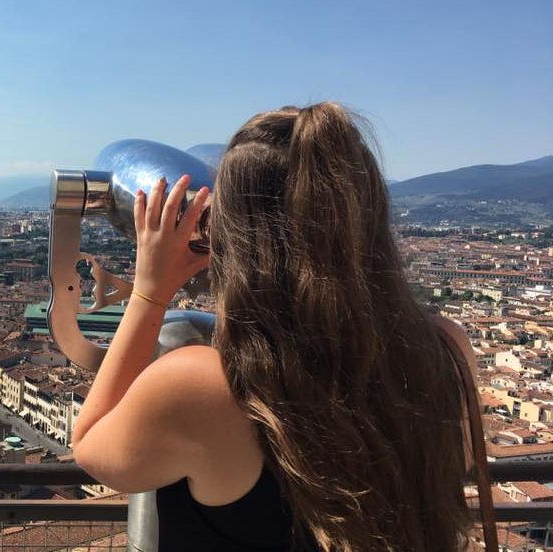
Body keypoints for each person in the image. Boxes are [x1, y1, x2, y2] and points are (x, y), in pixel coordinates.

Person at [71, 102, 476, 551]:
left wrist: (150, 289)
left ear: (232, 233)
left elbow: (92, 447)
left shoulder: (205, 386)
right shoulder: (447, 348)